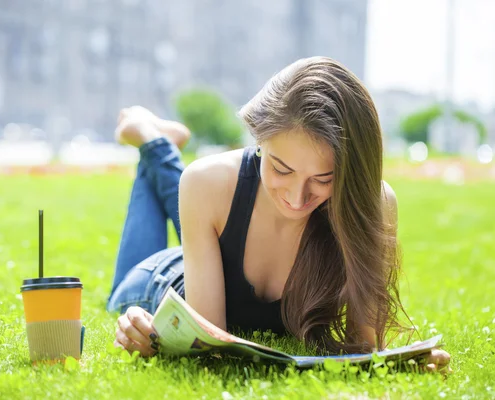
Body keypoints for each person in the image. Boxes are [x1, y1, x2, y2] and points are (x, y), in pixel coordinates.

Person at [108, 57, 451, 373]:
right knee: (195, 185)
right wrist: (149, 337)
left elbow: (366, 348)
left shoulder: (373, 202)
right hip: (156, 279)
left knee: (203, 190)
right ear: (259, 140)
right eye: (281, 168)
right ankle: (152, 139)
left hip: (207, 241)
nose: (296, 197)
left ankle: (158, 142)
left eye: (322, 179)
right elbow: (210, 347)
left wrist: (402, 364)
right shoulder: (207, 181)